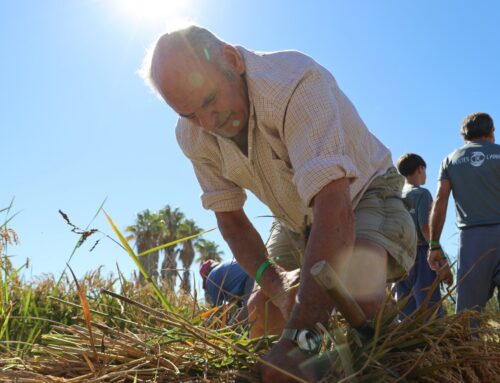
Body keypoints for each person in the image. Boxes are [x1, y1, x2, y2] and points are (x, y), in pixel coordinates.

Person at [140, 25, 416, 381]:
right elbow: (233, 223)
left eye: (209, 100)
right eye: (189, 113)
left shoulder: (295, 83)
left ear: (232, 60)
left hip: (361, 193)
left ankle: (387, 347)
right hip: (294, 216)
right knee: (264, 311)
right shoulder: (193, 134)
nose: (208, 123)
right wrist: (275, 284)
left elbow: (333, 206)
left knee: (355, 292)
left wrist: (300, 341)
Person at [429, 112, 500, 315]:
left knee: (468, 318)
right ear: (491, 131)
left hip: (472, 242)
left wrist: (434, 245)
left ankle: (470, 346)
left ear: (464, 135)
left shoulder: (450, 160)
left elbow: (440, 201)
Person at [395, 153, 452, 319]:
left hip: (401, 257)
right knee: (430, 309)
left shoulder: (397, 196)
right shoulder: (421, 194)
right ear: (420, 169)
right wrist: (440, 259)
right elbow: (425, 227)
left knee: (406, 312)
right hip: (421, 255)